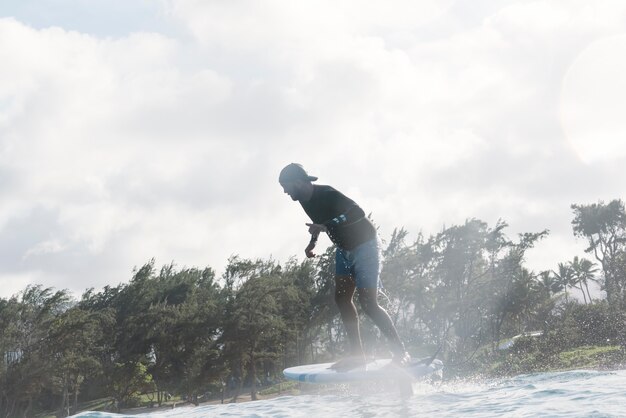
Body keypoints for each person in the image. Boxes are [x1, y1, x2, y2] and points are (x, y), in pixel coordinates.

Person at [279, 163, 410, 371]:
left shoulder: (328, 193)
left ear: (297, 182)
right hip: (343, 249)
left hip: (365, 245)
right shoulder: (304, 200)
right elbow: (320, 223)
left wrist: (327, 226)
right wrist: (312, 243)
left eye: (285, 187)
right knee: (341, 298)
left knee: (368, 303)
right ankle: (358, 356)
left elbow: (357, 212)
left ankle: (401, 353)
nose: (285, 192)